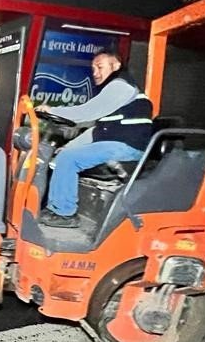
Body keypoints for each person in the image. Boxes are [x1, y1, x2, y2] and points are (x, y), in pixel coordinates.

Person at [36, 50, 153, 228]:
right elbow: (97, 131)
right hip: (116, 144)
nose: (95, 73)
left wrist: (52, 110)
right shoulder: (114, 91)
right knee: (63, 157)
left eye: (100, 67)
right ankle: (55, 207)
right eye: (93, 69)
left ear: (115, 66)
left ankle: (64, 214)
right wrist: (69, 146)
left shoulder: (121, 85)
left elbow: (86, 112)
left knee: (69, 159)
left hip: (126, 146)